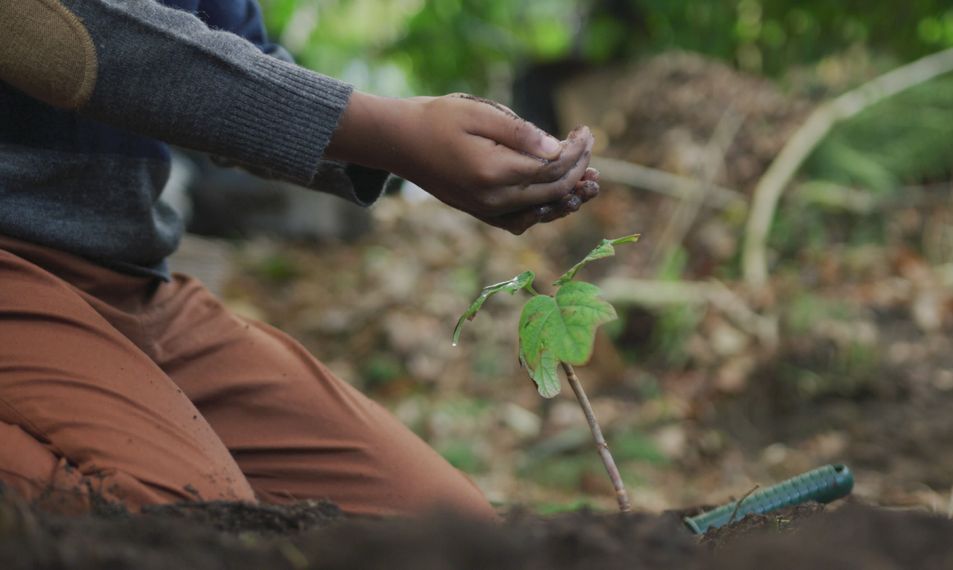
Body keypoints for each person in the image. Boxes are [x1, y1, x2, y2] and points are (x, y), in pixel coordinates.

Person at [0, 0, 599, 519]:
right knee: (173, 519)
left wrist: (411, 144)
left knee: (437, 528)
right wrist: (389, 131)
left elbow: (232, 59)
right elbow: (46, 30)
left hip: (123, 277)